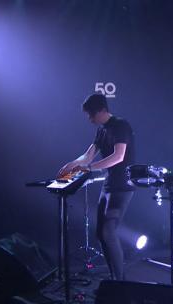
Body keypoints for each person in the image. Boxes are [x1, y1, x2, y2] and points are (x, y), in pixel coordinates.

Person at [58, 93, 135, 280]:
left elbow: (118, 156)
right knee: (101, 234)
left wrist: (89, 168)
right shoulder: (101, 130)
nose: (90, 119)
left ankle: (121, 281)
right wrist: (70, 166)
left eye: (91, 115)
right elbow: (88, 155)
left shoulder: (120, 125)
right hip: (108, 186)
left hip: (123, 187)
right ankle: (114, 278)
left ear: (102, 110)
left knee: (108, 232)